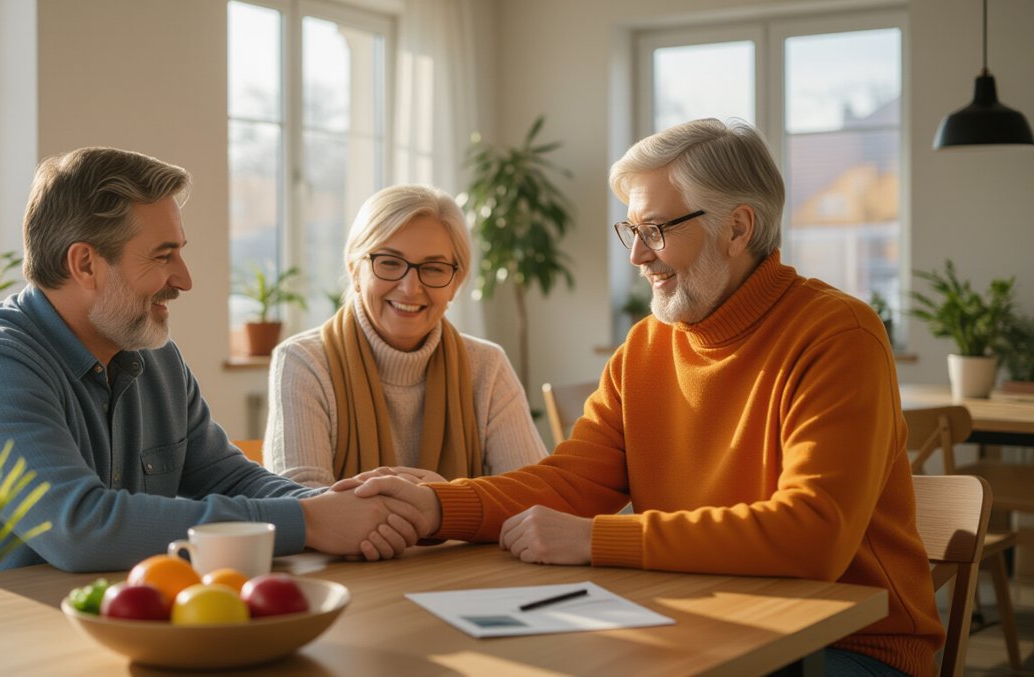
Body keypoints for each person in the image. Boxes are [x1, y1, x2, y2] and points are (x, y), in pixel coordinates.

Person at [346, 120, 944, 676]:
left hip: (850, 648)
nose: (636, 256)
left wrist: (595, 539)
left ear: (737, 228)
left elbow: (812, 536)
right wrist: (439, 507)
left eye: (655, 230)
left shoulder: (839, 334)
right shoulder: (647, 346)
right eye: (632, 230)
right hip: (701, 622)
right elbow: (570, 483)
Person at [0, 147, 425, 572]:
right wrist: (309, 522)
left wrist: (337, 503)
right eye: (163, 256)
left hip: (118, 626)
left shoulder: (153, 356)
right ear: (85, 263)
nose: (184, 279)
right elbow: (82, 529)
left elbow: (229, 477)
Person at [262, 184, 547, 488]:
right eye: (389, 263)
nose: (410, 287)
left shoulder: (487, 366)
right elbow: (305, 506)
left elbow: (532, 493)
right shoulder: (303, 363)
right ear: (355, 271)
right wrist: (441, 504)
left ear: (456, 283)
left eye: (434, 268)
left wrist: (436, 504)